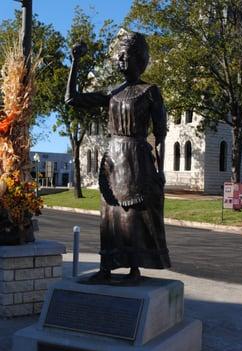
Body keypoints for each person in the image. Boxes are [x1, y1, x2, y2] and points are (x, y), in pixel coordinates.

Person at [65, 30, 171, 282]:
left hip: (138, 158)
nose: (121, 60)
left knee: (134, 214)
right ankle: (107, 266)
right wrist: (75, 63)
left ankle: (135, 267)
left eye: (127, 56)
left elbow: (161, 135)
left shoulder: (150, 91)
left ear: (139, 59)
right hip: (113, 159)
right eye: (119, 56)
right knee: (109, 215)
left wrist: (160, 171)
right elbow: (72, 99)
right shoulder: (111, 93)